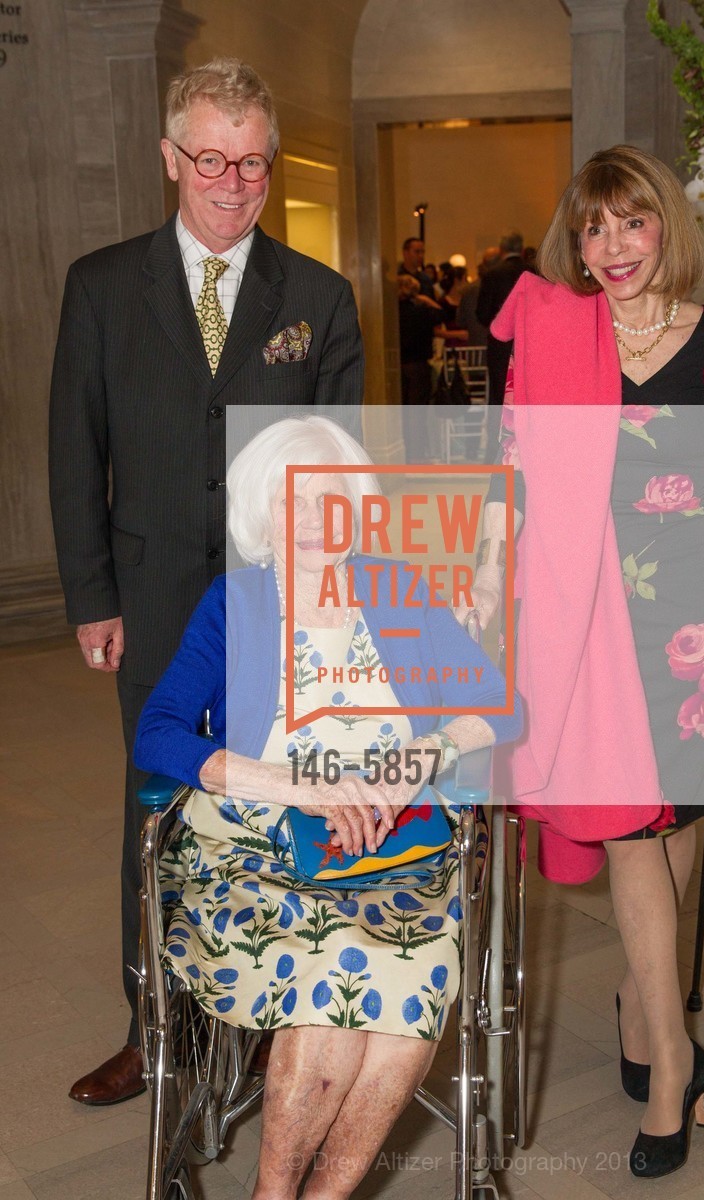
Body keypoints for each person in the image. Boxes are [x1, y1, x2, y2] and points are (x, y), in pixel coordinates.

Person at [49, 57, 364, 1106]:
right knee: (158, 812)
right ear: (169, 157)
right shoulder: (100, 286)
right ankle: (154, 1027)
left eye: (253, 163)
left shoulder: (316, 297)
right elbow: (71, 446)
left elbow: (339, 462)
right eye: (210, 159)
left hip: (274, 609)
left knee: (272, 804)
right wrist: (92, 593)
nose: (232, 183)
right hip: (144, 595)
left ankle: (271, 1017)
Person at [458, 145, 704, 1178]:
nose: (612, 247)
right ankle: (672, 1056)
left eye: (630, 223)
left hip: (688, 611)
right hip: (584, 607)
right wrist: (488, 573)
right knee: (634, 826)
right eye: (592, 229)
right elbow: (506, 460)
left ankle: (641, 992)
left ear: (663, 226)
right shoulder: (552, 333)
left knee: (674, 816)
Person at [134, 415, 522, 1199]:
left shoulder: (397, 590)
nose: (313, 522)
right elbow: (158, 732)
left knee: (408, 984)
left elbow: (504, 705)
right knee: (338, 973)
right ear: (260, 513)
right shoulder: (234, 603)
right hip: (255, 851)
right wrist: (299, 788)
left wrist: (417, 761)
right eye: (292, 502)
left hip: (391, 844)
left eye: (331, 499)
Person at [476, 230, 533, 458]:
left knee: (499, 399)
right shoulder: (534, 272)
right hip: (531, 344)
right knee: (529, 397)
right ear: (521, 249)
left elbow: (482, 314)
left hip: (501, 347)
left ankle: (496, 452)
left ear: (501, 250)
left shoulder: (492, 275)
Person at [397, 273, 445, 462]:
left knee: (399, 412)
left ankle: (404, 452)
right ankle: (416, 454)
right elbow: (443, 315)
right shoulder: (421, 311)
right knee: (417, 412)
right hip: (418, 366)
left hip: (397, 367)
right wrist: (428, 301)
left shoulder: (392, 313)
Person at [457, 247, 501, 347]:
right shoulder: (507, 287)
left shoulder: (469, 290)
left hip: (475, 348)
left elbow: (460, 321)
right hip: (499, 350)